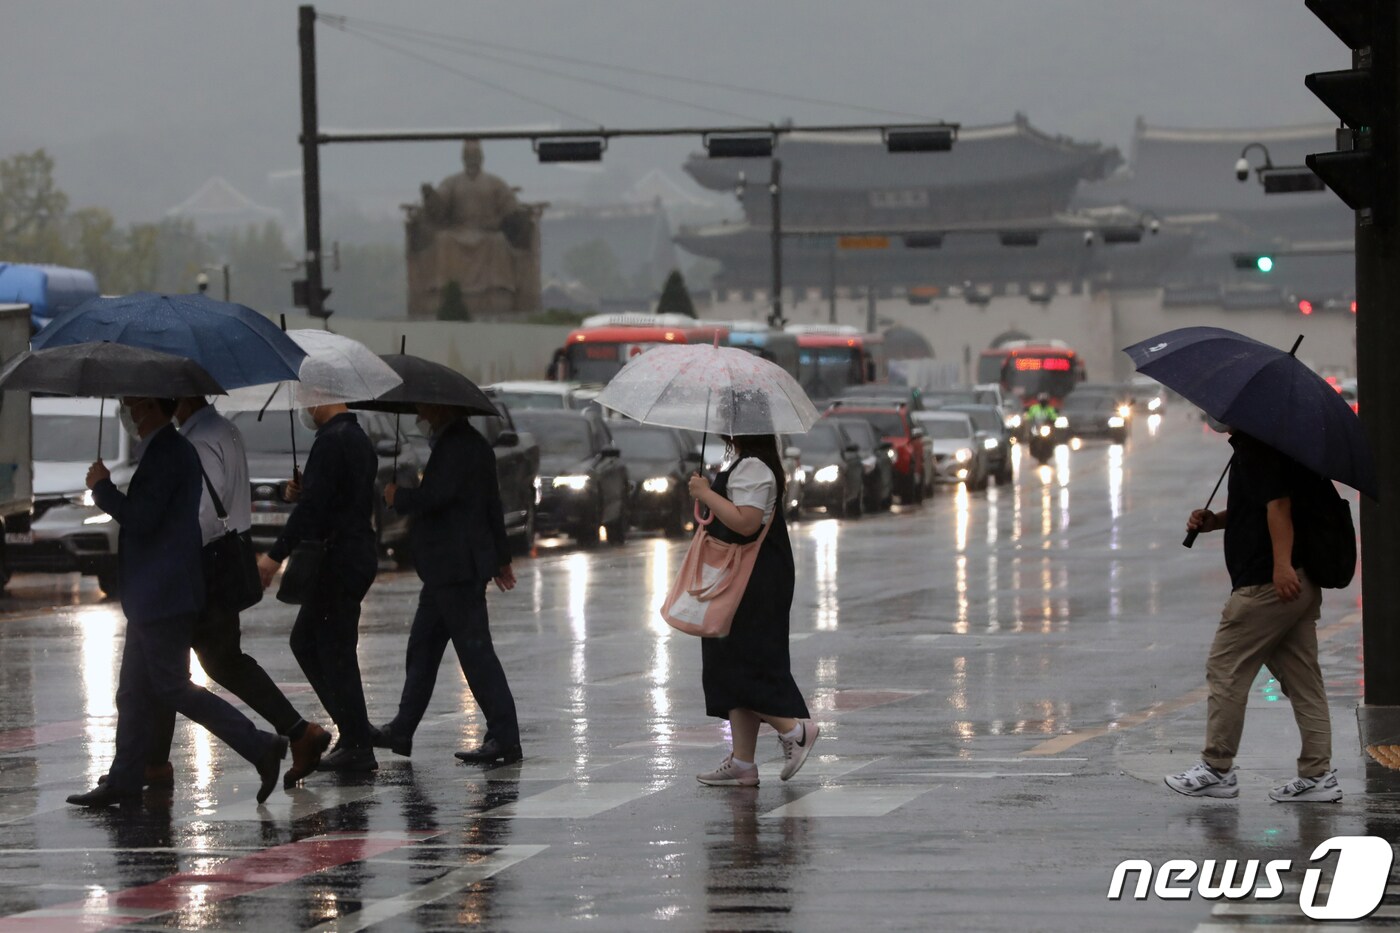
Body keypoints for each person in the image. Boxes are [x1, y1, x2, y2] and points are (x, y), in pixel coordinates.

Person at [67, 396, 286, 808]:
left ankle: (260, 745)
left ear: (150, 407)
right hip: (155, 594)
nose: (128, 409)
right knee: (132, 692)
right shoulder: (168, 448)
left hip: (164, 594)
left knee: (172, 687)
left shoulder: (169, 451)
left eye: (133, 402)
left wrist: (102, 489)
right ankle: (124, 778)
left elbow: (143, 518)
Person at [138, 397, 330, 791]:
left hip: (203, 565)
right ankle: (298, 731)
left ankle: (156, 765)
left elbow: (203, 513)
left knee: (165, 665)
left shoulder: (199, 439)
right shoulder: (223, 429)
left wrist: (166, 544)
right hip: (225, 557)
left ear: (186, 395)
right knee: (222, 661)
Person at [1165, 424, 1340, 803]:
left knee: (1226, 669)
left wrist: (1281, 566)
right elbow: (1259, 506)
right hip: (1297, 582)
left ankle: (1217, 768)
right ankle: (1318, 776)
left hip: (1267, 585)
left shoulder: (1257, 448)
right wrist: (1215, 521)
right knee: (1304, 682)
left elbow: (1279, 506)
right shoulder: (1278, 444)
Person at [371, 403, 522, 764]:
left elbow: (436, 498)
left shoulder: (459, 447)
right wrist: (501, 558)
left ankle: (505, 737)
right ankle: (403, 729)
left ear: (441, 410)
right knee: (422, 649)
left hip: (456, 569)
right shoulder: (467, 445)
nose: (420, 415)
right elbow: (491, 504)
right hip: (446, 570)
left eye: (424, 409)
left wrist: (399, 497)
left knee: (476, 655)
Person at [687, 432, 818, 787]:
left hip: (752, 579)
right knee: (733, 660)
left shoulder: (754, 468)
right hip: (751, 575)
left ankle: (794, 731)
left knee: (739, 663)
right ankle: (743, 762)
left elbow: (747, 521)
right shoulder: (748, 464)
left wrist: (705, 494)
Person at [256, 402, 379, 773]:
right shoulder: (356, 437)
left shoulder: (331, 441)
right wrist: (306, 491)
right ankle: (354, 731)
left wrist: (275, 556)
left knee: (333, 648)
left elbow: (314, 510)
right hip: (354, 553)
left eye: (308, 398)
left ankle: (358, 741)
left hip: (338, 557)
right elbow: (335, 497)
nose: (305, 407)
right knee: (310, 642)